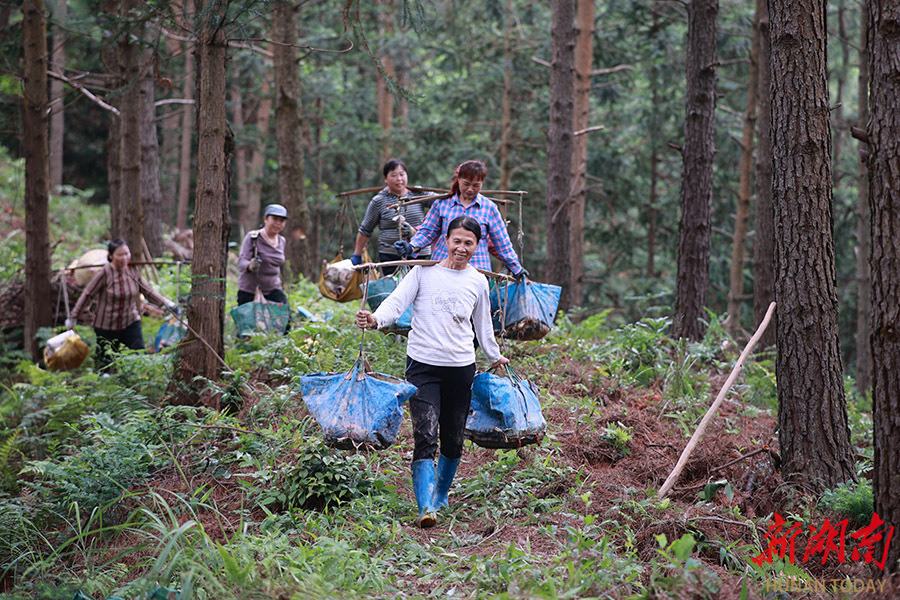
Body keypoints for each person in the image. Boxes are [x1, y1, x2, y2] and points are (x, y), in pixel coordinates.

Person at [356, 216, 509, 528]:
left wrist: (494, 356)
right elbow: (395, 304)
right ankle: (425, 506)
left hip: (461, 369)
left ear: (477, 246)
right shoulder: (422, 272)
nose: (462, 247)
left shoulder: (478, 281)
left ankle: (440, 494)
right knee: (425, 435)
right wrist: (375, 319)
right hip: (423, 366)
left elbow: (483, 326)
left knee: (453, 438)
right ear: (445, 241)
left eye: (469, 243)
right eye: (457, 241)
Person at [395, 160, 528, 278]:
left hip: (477, 270)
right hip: (443, 268)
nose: (470, 189)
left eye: (476, 185)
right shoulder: (442, 204)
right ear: (458, 180)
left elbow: (502, 243)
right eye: (466, 184)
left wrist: (516, 268)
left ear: (482, 183)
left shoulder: (489, 208)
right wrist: (411, 246)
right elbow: (427, 232)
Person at [66, 238, 178, 369]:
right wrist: (73, 316)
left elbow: (148, 291)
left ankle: (138, 383)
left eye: (126, 254)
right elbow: (87, 294)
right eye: (120, 255)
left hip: (130, 321)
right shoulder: (104, 273)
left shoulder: (133, 270)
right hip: (106, 326)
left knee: (139, 354)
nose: (124, 258)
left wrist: (165, 303)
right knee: (105, 363)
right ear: (111, 256)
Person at [351, 159, 431, 276]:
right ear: (385, 178)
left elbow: (442, 202)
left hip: (419, 253)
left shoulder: (419, 195)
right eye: (393, 175)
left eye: (402, 174)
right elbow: (365, 230)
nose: (399, 179)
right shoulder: (379, 201)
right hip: (390, 256)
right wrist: (357, 255)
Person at [237, 203, 289, 306]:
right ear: (265, 219)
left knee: (285, 318)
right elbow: (242, 261)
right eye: (274, 219)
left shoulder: (282, 240)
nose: (278, 223)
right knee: (249, 321)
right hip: (250, 290)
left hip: (273, 289)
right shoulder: (253, 237)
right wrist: (250, 266)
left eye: (282, 221)